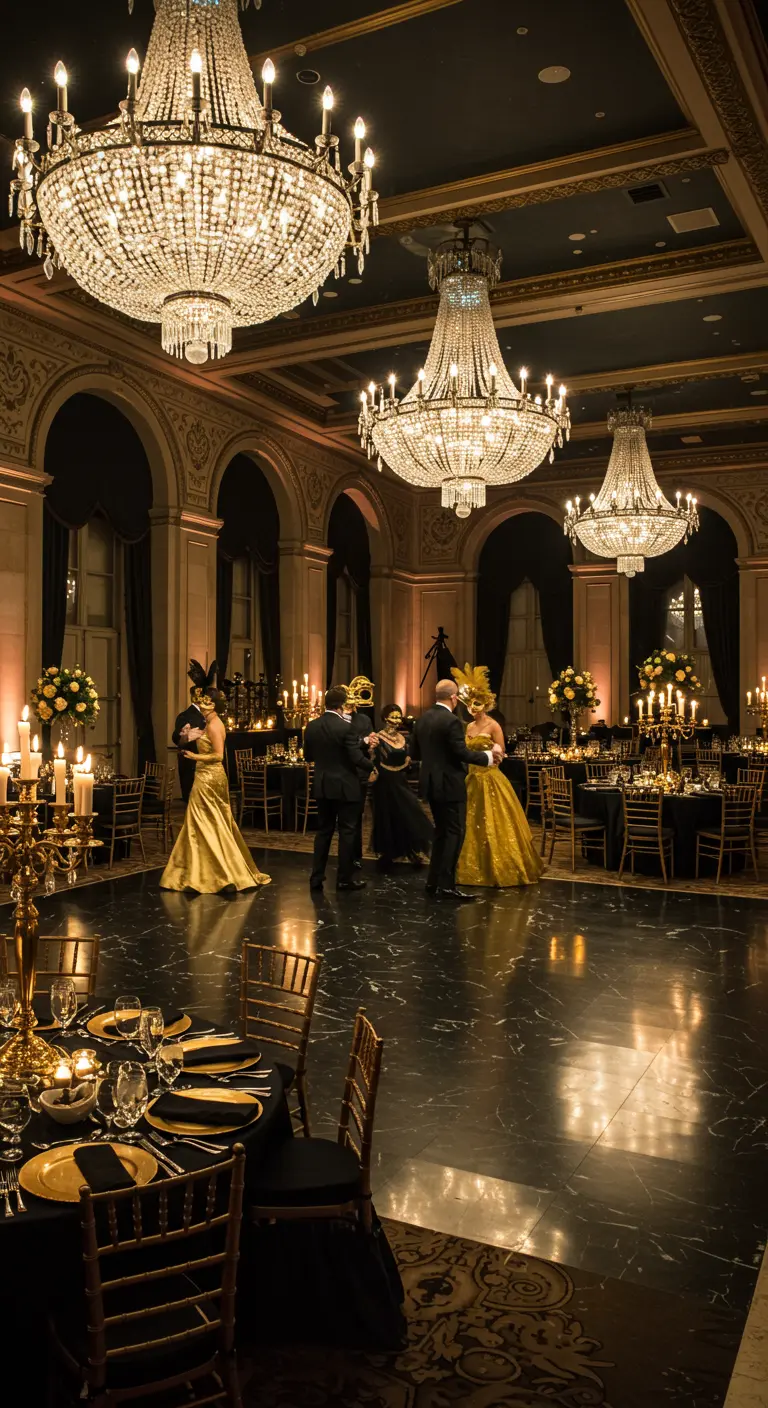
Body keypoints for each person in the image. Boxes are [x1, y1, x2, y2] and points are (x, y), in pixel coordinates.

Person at [160, 688, 270, 894]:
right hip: (206, 776)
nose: (200, 706)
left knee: (205, 820)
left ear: (211, 706)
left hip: (210, 777)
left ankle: (216, 872)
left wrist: (194, 757)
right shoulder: (209, 724)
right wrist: (187, 736)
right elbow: (203, 743)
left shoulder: (215, 725)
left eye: (203, 703)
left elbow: (218, 755)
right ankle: (201, 869)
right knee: (204, 820)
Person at [410, 679, 501, 903]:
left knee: (441, 832)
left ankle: (433, 882)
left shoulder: (422, 720)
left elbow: (415, 753)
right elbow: (461, 753)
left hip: (431, 784)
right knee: (454, 833)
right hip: (449, 785)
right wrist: (487, 758)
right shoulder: (451, 721)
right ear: (453, 698)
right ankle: (447, 885)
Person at [453, 663, 543, 888]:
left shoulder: (493, 726)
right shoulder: (468, 727)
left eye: (478, 703)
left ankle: (501, 867)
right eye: (471, 703)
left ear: (486, 703)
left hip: (491, 778)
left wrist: (492, 753)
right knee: (470, 824)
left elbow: (502, 753)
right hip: (471, 779)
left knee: (497, 823)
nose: (474, 708)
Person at [304, 686, 372, 892]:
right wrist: (373, 766)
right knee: (347, 832)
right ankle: (344, 879)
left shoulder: (312, 726)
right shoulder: (346, 727)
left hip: (323, 785)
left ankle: (316, 878)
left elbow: (308, 757)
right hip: (346, 786)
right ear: (342, 705)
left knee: (323, 831)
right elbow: (356, 758)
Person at [370, 704, 433, 871]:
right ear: (385, 718)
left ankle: (412, 850)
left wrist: (408, 762)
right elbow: (373, 760)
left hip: (400, 781)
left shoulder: (404, 738)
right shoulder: (378, 738)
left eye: (399, 717)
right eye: (393, 717)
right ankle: (388, 853)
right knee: (387, 818)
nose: (396, 721)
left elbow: (409, 762)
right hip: (384, 783)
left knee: (410, 813)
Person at [173, 659, 216, 804]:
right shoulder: (185, 716)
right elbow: (177, 739)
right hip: (192, 768)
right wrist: (185, 737)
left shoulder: (211, 717)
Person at [343, 691, 375, 869]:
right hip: (343, 771)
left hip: (359, 773)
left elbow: (368, 742)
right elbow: (344, 743)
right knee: (345, 820)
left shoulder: (364, 720)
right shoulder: (338, 719)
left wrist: (371, 742)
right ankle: (346, 856)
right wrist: (362, 740)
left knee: (356, 817)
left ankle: (356, 856)